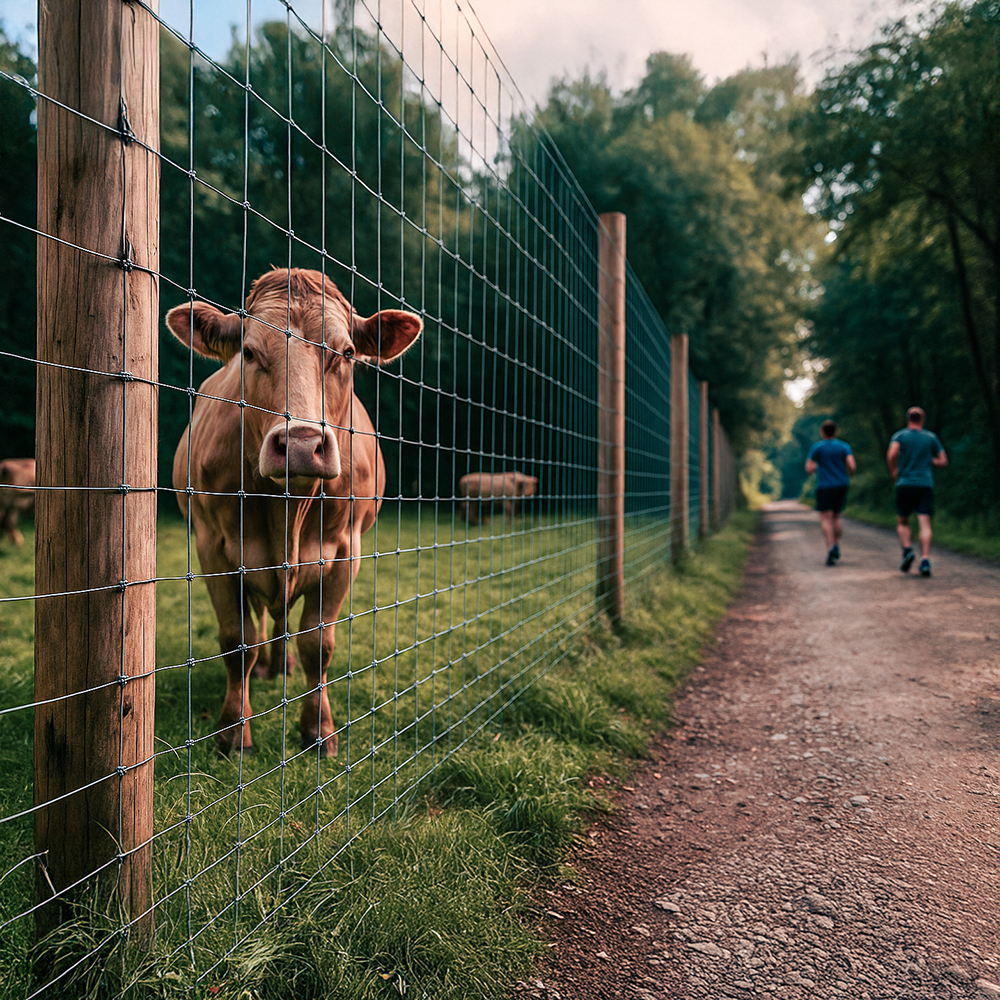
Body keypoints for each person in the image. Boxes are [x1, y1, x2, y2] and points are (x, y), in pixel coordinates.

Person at [886, 406, 948, 577]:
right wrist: (932, 461)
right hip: (925, 484)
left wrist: (894, 470)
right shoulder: (931, 437)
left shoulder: (900, 436)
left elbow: (891, 455)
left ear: (908, 418)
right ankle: (925, 559)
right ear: (922, 419)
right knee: (924, 522)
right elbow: (943, 461)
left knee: (903, 522)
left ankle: (907, 550)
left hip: (904, 483)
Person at [805, 420, 856, 566]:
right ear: (836, 431)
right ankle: (837, 543)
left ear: (822, 432)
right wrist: (848, 475)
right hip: (841, 484)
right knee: (837, 516)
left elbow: (809, 468)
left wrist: (814, 468)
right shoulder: (844, 446)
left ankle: (831, 547)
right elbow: (852, 465)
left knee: (826, 517)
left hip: (824, 486)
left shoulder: (818, 448)